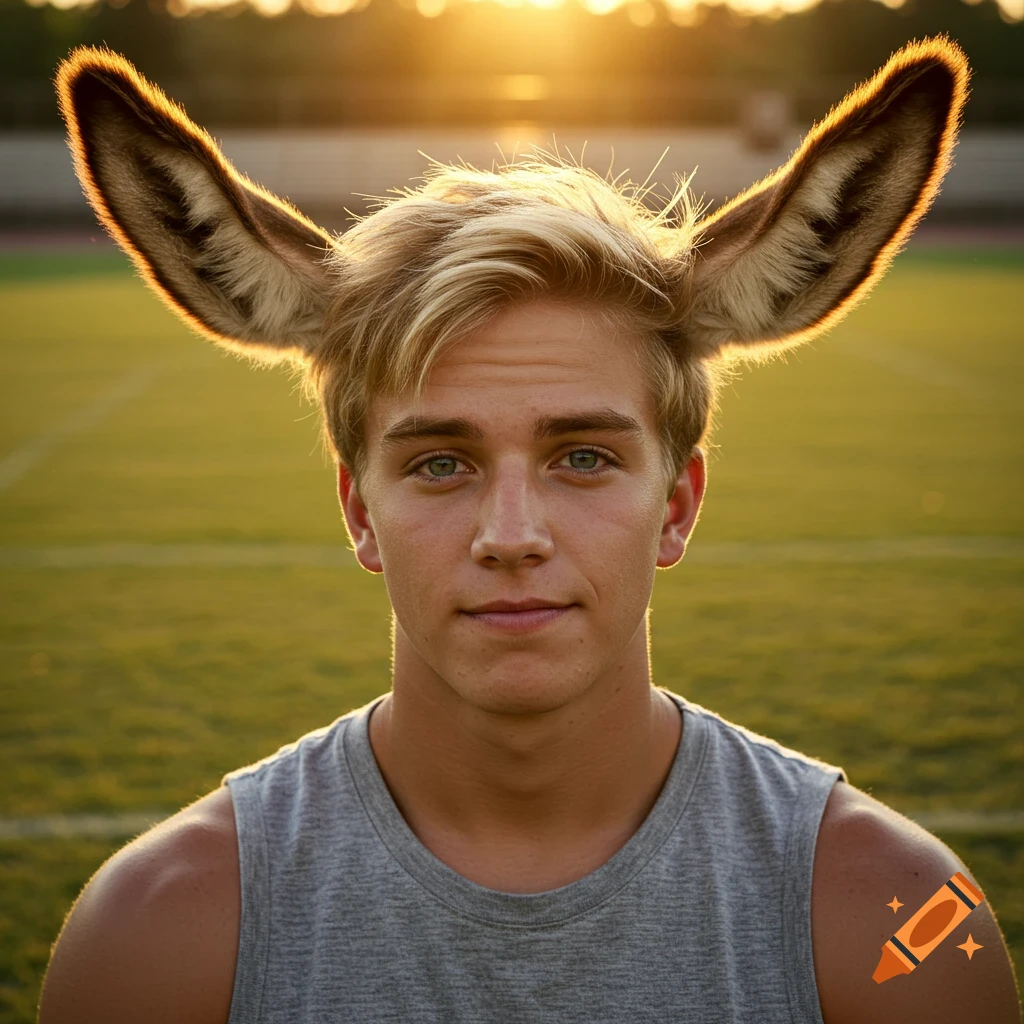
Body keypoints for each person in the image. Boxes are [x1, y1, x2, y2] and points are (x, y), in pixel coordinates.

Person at [39, 39, 1020, 1024]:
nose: (510, 534)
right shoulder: (154, 935)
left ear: (677, 504)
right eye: (438, 463)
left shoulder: (898, 928)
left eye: (584, 457)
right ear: (356, 509)